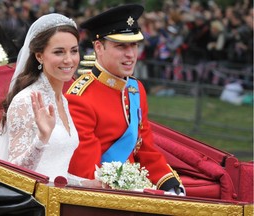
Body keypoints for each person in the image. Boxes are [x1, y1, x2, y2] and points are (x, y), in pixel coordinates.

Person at [65, 4, 185, 195]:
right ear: (99, 47)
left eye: (134, 45)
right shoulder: (80, 97)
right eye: (121, 46)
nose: (130, 54)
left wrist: (168, 183)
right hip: (105, 194)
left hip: (133, 186)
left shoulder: (135, 89)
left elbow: (144, 147)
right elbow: (87, 173)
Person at [0, 13, 89, 185]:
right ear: (39, 56)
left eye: (74, 51)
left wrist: (88, 183)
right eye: (59, 52)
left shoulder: (62, 101)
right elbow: (13, 173)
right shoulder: (25, 101)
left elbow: (55, 172)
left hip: (59, 198)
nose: (69, 60)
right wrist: (41, 140)